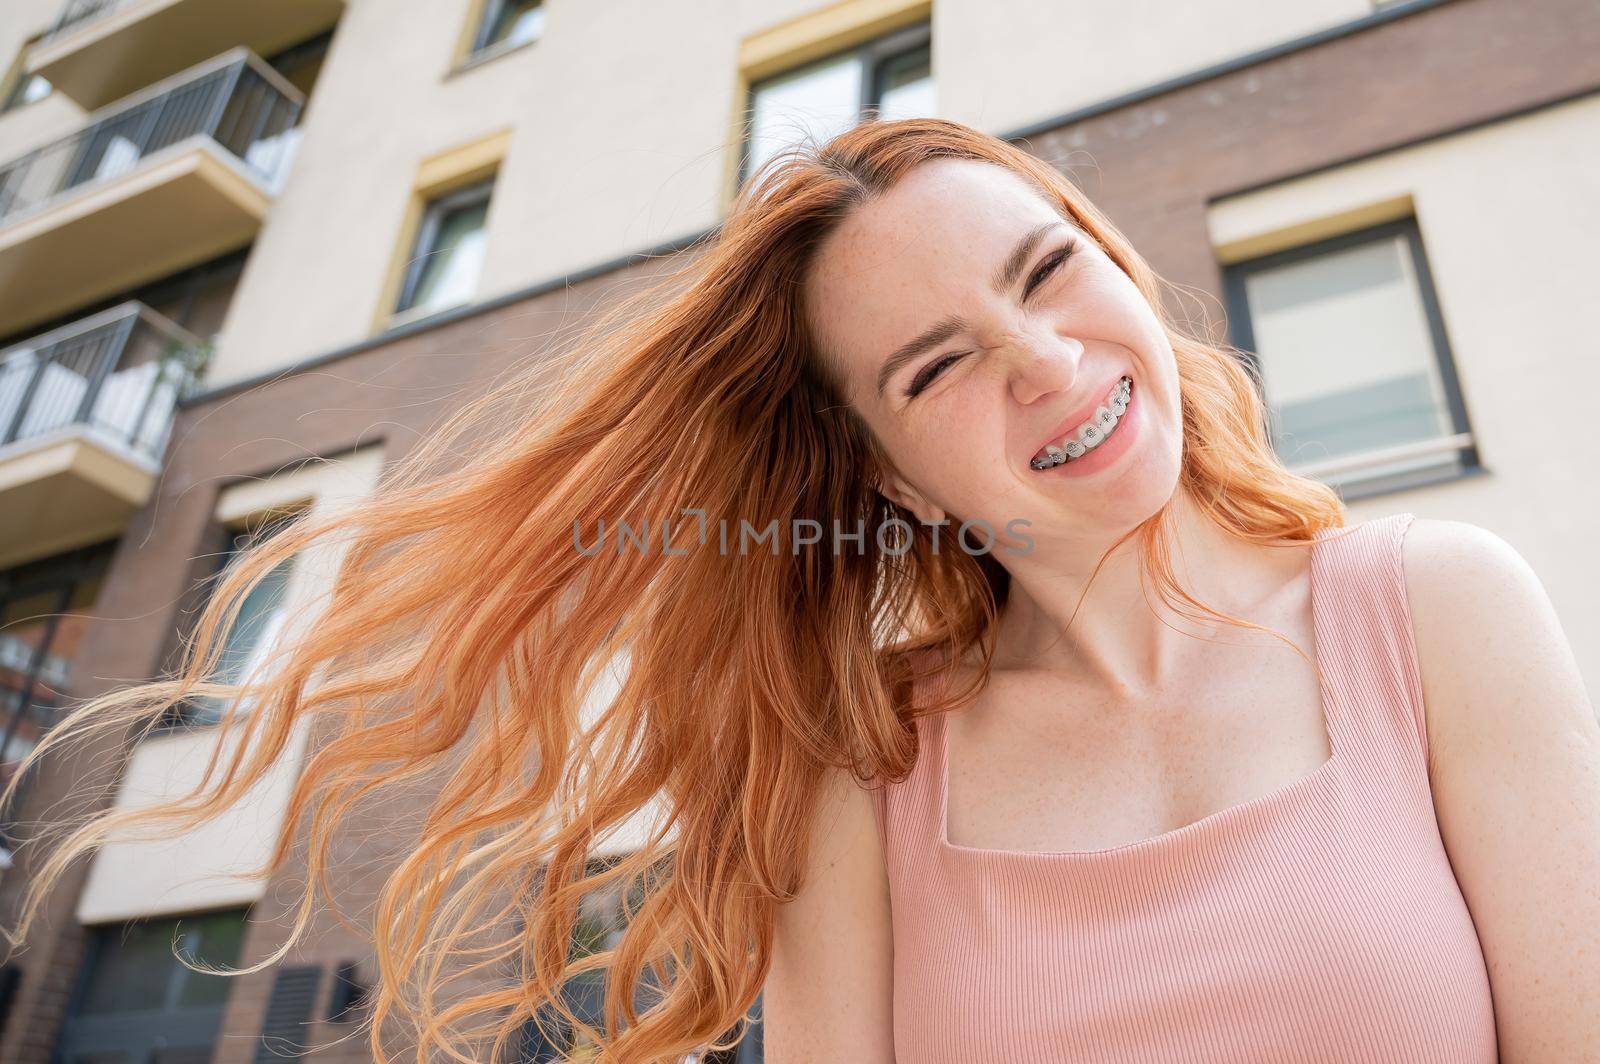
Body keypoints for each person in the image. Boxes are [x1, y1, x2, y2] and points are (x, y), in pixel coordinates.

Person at [5, 117, 1597, 1063]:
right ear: (896, 478)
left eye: (1047, 273)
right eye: (937, 366)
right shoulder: (871, 777)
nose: (1046, 366)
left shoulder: (1435, 612)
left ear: (1114, 259)